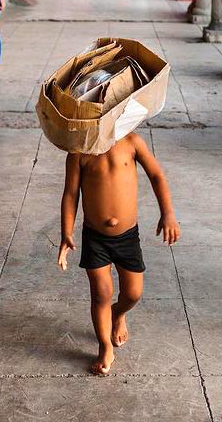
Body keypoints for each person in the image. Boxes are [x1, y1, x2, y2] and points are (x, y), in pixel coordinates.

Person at [57, 132, 181, 375]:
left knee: (133, 293)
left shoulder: (132, 142)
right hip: (95, 237)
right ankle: (105, 346)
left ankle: (118, 313)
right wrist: (66, 232)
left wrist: (167, 213)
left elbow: (156, 175)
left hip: (127, 238)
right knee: (101, 292)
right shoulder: (79, 151)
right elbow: (71, 193)